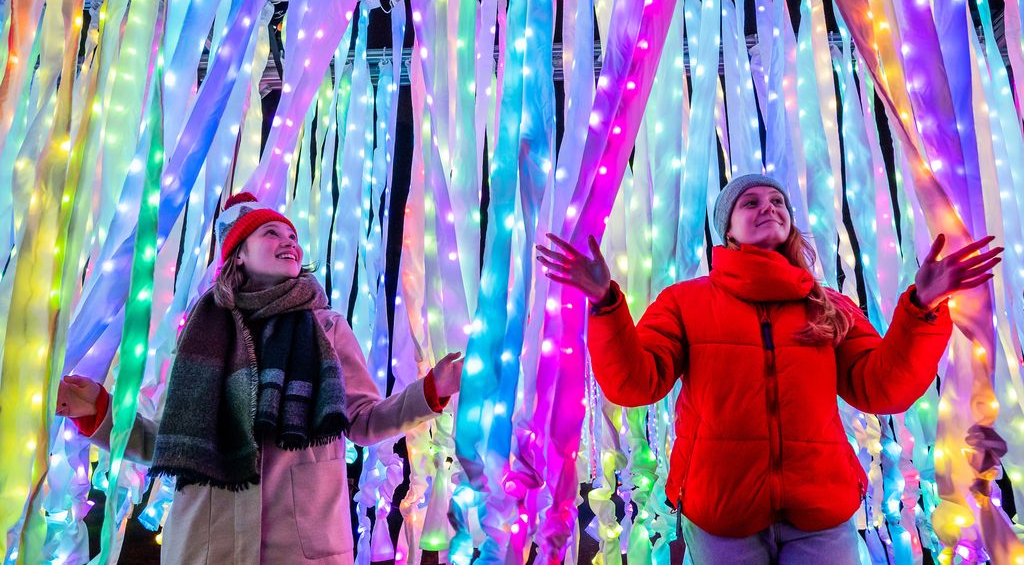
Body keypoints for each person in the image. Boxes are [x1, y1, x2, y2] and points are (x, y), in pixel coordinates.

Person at [536, 173, 1002, 564]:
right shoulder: (686, 302)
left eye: (778, 201)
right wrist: (605, 304)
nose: (769, 207)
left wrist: (922, 305)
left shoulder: (828, 305)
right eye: (751, 201)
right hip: (724, 515)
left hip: (821, 512)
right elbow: (634, 383)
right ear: (729, 231)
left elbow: (883, 388)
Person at [57, 192, 464, 564]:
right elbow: (166, 441)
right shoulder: (200, 336)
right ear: (238, 255)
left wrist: (431, 392)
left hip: (301, 551)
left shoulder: (326, 329)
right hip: (204, 548)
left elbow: (365, 420)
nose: (289, 241)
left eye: (292, 235)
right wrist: (99, 412)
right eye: (271, 233)